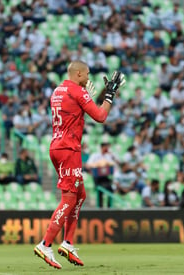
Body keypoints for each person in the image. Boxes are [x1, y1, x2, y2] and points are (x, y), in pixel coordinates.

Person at [34, 61, 125, 269]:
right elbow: (100, 116)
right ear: (78, 73)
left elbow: (72, 111)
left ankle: (68, 243)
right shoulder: (77, 91)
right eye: (86, 74)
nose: (88, 78)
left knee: (80, 195)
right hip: (69, 149)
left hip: (56, 147)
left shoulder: (58, 90)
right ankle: (45, 244)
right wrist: (109, 96)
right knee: (68, 198)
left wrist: (85, 93)